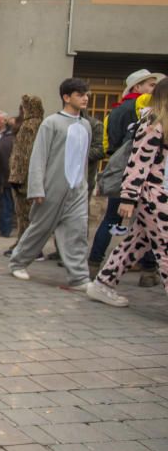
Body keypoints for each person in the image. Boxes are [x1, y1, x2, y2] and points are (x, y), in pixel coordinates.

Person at [88, 81, 168, 306]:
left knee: (136, 242)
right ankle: (102, 284)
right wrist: (129, 197)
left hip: (159, 194)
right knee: (165, 248)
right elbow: (138, 161)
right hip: (154, 196)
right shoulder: (153, 122)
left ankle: (103, 284)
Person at [7, 78, 92, 290]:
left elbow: (84, 159)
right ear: (66, 97)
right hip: (53, 188)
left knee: (77, 232)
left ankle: (79, 277)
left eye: (86, 94)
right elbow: (38, 156)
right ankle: (18, 261)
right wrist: (36, 187)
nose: (85, 98)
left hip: (77, 189)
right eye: (80, 94)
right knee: (40, 229)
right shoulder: (51, 123)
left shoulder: (86, 125)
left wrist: (87, 185)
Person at [6, 94, 45, 253]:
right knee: (27, 215)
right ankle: (25, 244)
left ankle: (27, 247)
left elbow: (24, 154)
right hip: (29, 177)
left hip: (24, 179)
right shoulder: (40, 124)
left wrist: (17, 177)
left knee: (25, 214)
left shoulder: (30, 126)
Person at [0, 116, 17, 238]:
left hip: (5, 178)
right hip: (19, 179)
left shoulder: (0, 142)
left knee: (6, 204)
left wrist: (0, 174)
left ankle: (5, 230)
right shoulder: (17, 141)